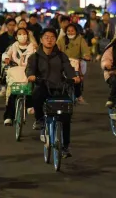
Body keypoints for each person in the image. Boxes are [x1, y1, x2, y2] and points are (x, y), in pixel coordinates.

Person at [26, 28, 80, 157]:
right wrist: (31, 76)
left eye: (52, 37)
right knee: (37, 94)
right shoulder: (35, 57)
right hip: (42, 85)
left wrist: (73, 77)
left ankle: (65, 147)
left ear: (56, 40)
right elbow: (29, 70)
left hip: (59, 88)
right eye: (46, 37)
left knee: (66, 116)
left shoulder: (62, 56)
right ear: (41, 39)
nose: (49, 39)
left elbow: (68, 69)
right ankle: (39, 119)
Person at [2, 27, 35, 125]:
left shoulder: (32, 46)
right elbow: (6, 54)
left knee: (29, 88)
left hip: (28, 70)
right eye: (19, 34)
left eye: (24, 34)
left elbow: (36, 57)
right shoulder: (14, 46)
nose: (22, 36)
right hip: (15, 71)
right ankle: (9, 117)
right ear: (16, 37)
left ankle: (30, 105)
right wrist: (7, 58)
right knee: (13, 93)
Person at [57, 23, 91, 104]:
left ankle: (79, 96)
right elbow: (56, 49)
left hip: (76, 62)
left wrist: (86, 55)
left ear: (76, 31)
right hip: (63, 62)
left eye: (72, 31)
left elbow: (85, 50)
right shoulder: (61, 39)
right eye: (68, 31)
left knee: (77, 79)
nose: (70, 32)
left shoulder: (80, 39)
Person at [0, 18, 17, 96]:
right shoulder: (1, 37)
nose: (11, 27)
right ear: (6, 26)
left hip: (16, 57)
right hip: (4, 57)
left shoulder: (17, 36)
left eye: (13, 25)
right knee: (1, 65)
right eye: (9, 25)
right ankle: (3, 86)